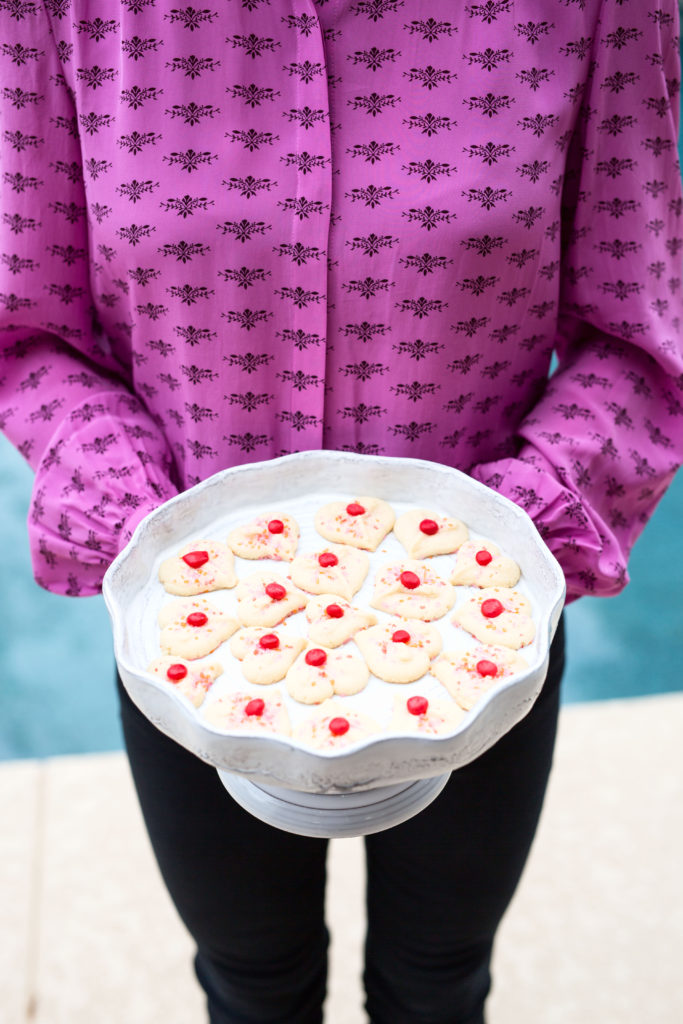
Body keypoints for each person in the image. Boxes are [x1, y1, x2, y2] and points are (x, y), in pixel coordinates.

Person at [1, 2, 682, 1021]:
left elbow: (640, 324)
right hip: (198, 644)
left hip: (477, 636)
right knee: (250, 981)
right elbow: (27, 328)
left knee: (440, 975)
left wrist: (491, 547)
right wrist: (152, 528)